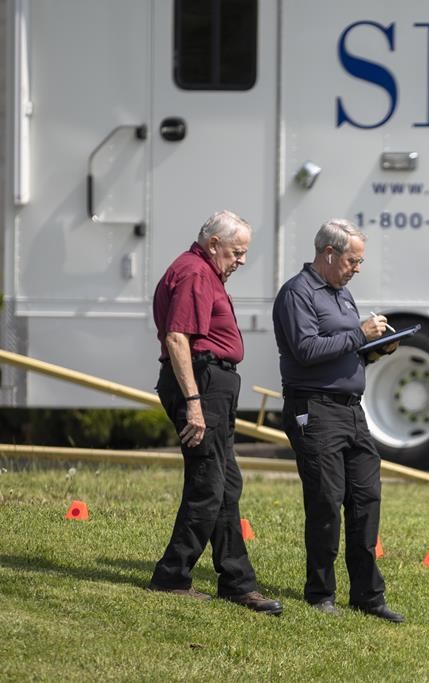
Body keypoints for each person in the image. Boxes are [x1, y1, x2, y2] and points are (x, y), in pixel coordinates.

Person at [147, 210, 283, 616]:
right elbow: (177, 338)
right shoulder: (194, 273)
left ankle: (237, 583)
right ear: (213, 245)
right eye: (237, 252)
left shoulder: (202, 271)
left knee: (225, 485)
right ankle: (172, 576)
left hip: (213, 385)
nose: (241, 260)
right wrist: (193, 403)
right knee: (209, 485)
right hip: (202, 386)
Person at [272, 218, 403, 622]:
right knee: (326, 501)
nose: (357, 268)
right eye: (353, 259)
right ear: (328, 253)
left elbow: (347, 350)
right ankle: (320, 593)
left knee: (365, 498)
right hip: (314, 408)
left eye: (360, 261)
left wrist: (377, 348)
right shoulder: (297, 293)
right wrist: (361, 336)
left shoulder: (343, 295)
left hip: (351, 410)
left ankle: (367, 595)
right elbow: (307, 349)